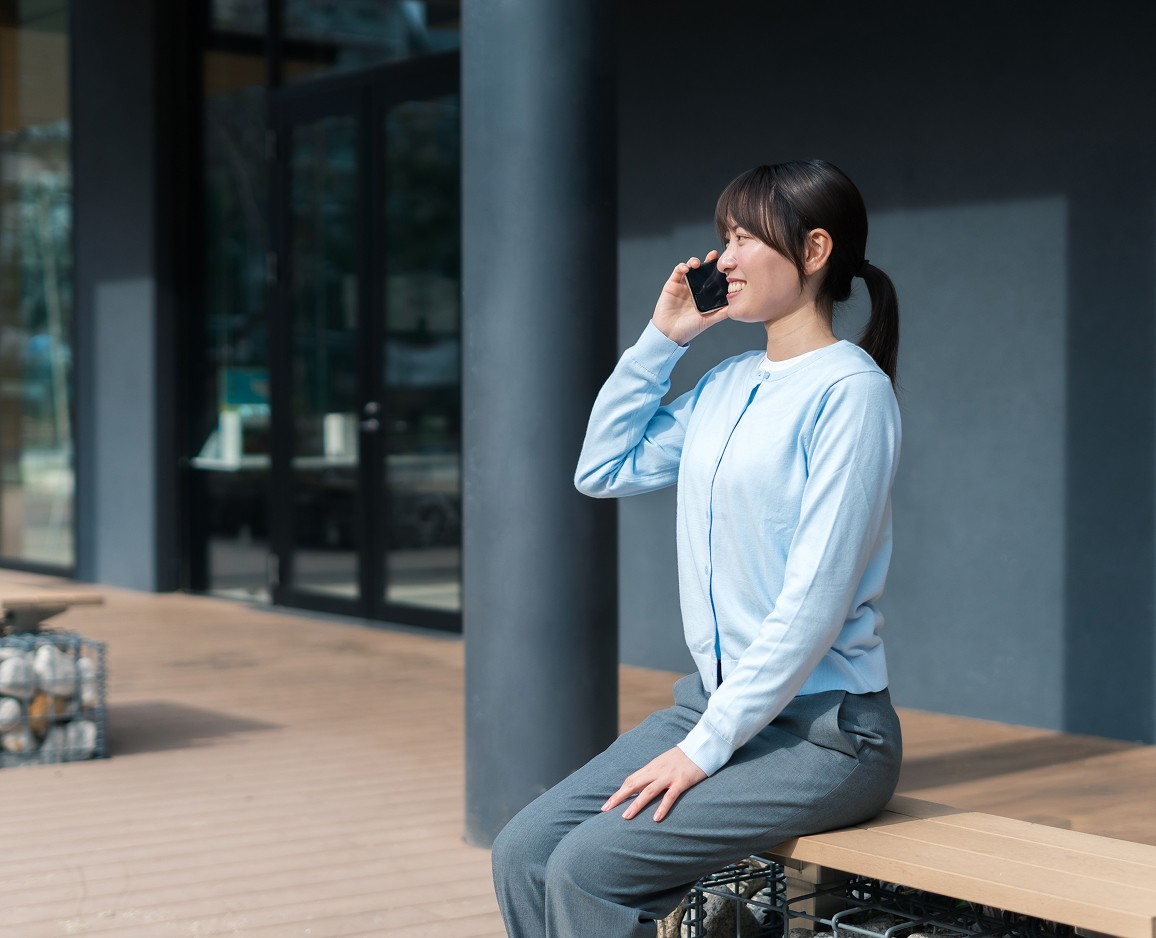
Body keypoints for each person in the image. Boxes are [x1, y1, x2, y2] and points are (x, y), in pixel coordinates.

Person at [491, 159, 903, 938]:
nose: (725, 259)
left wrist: (703, 751)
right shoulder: (729, 382)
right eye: (725, 237)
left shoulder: (850, 394)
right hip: (716, 706)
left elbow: (813, 605)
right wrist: (662, 339)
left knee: (589, 869)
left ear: (814, 251)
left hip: (828, 734)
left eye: (746, 238)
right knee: (524, 851)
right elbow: (600, 470)